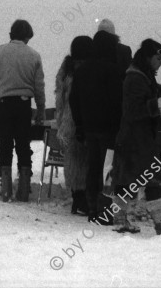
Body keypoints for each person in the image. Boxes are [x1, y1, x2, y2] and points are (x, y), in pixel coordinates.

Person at [111, 39, 161, 238]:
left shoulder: (140, 75)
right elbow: (135, 110)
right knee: (152, 179)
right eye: (158, 58)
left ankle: (120, 220)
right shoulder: (136, 78)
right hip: (137, 138)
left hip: (134, 137)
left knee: (126, 180)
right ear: (147, 57)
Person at [0, 20, 46, 202]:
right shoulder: (34, 55)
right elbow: (39, 86)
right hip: (24, 105)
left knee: (5, 145)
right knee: (23, 146)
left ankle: (6, 190)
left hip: (3, 105)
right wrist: (41, 109)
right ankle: (24, 190)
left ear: (11, 34)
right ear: (27, 36)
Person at [69, 30, 123, 224]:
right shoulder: (114, 70)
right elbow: (118, 102)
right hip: (109, 130)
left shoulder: (82, 71)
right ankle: (105, 211)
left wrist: (80, 125)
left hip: (90, 129)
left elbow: (73, 99)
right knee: (107, 170)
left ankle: (93, 208)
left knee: (93, 169)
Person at [55, 36, 93, 215]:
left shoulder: (65, 70)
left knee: (72, 161)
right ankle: (83, 200)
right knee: (85, 160)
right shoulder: (87, 70)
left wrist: (60, 119)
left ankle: (76, 198)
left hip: (66, 121)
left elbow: (59, 98)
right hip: (81, 119)